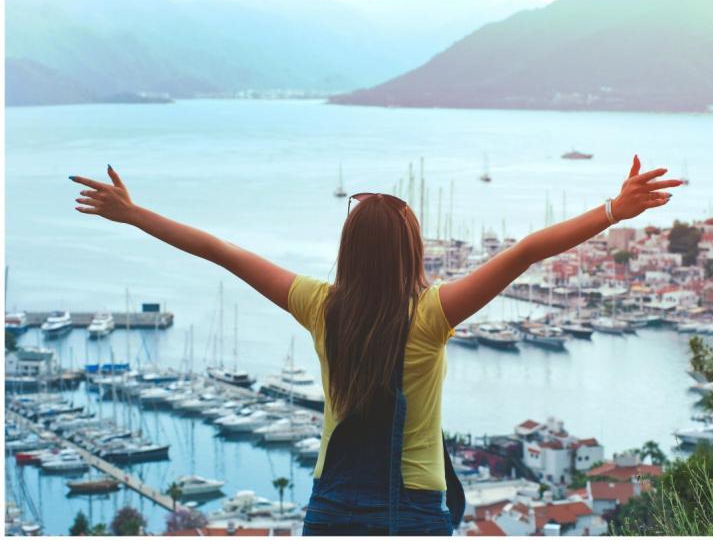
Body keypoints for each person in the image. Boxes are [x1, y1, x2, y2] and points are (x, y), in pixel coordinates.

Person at [69, 155, 680, 535]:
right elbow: (524, 252)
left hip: (330, 507)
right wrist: (612, 208)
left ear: (350, 249)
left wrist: (134, 214)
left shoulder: (319, 305)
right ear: (411, 250)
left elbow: (221, 251)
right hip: (411, 512)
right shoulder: (432, 315)